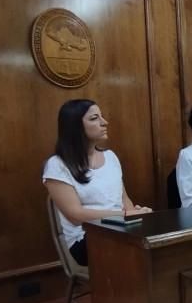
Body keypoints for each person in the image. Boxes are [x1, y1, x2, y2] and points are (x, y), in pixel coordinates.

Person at [42, 99, 152, 266]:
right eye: (94, 118)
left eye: (102, 116)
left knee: (163, 237)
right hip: (86, 236)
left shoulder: (110, 156)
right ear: (75, 126)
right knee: (141, 255)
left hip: (121, 227)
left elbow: (124, 199)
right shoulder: (57, 165)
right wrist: (124, 216)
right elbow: (76, 216)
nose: (104, 122)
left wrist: (135, 217)